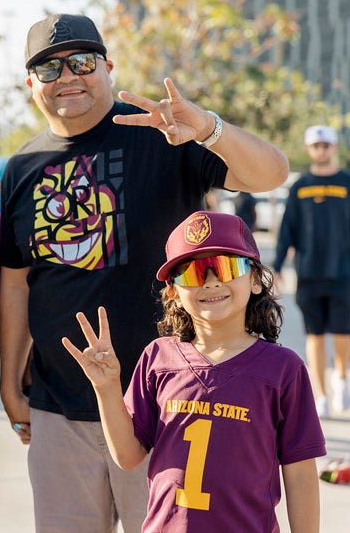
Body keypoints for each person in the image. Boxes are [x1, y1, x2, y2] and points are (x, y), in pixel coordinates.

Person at [0, 13, 289, 532]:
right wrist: (8, 381)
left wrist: (209, 129)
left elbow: (271, 173)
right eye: (49, 68)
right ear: (30, 84)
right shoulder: (21, 167)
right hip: (60, 406)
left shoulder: (163, 136)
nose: (67, 76)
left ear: (108, 67)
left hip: (166, 402)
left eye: (82, 61)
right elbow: (17, 280)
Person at [63, 210, 326, 532]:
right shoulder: (158, 357)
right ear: (173, 291)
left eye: (228, 267)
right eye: (193, 272)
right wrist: (106, 388)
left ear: (256, 280)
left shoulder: (283, 369)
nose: (211, 281)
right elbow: (128, 456)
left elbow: (299, 472)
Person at [273, 125, 350, 419]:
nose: (321, 150)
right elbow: (286, 230)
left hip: (344, 272)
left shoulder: (347, 183)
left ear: (334, 148)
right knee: (315, 335)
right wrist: (278, 264)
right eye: (316, 145)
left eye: (326, 145)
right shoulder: (301, 186)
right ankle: (320, 395)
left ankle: (341, 377)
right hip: (309, 273)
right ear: (309, 149)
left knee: (344, 332)